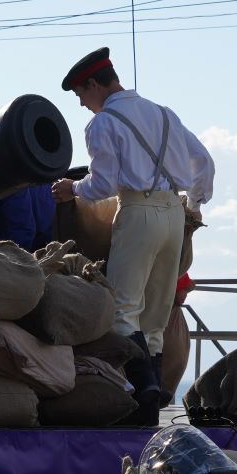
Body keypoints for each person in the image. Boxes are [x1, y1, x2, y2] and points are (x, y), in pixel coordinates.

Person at [50, 47, 215, 422]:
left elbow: (103, 185)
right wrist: (196, 202)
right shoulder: (164, 114)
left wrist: (71, 190)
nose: (81, 104)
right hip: (175, 213)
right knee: (155, 317)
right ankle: (148, 409)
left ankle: (144, 390)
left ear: (93, 84)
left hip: (137, 212)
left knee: (123, 310)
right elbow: (203, 160)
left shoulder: (103, 123)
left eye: (80, 94)